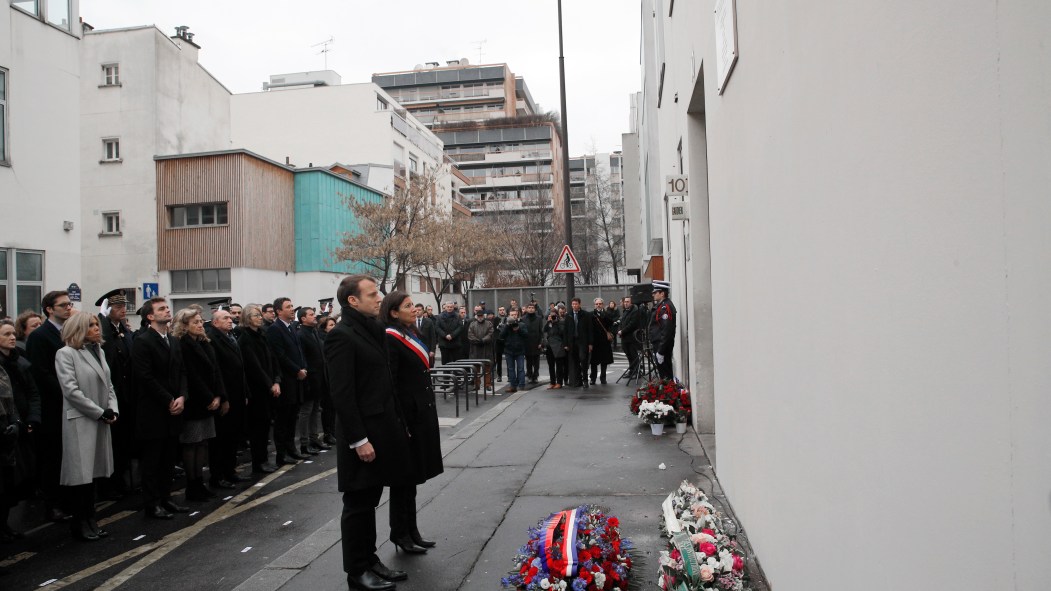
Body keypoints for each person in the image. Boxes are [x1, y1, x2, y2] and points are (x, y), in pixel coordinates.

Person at [325, 275, 412, 591]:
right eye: (373, 294)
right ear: (353, 300)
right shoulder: (341, 336)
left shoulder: (372, 328)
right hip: (362, 436)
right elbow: (342, 394)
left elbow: (386, 383)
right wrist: (358, 440)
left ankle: (370, 560)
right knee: (357, 505)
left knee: (370, 501)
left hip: (383, 429)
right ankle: (357, 570)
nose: (380, 298)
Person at [381, 292, 442, 555]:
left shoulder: (410, 333)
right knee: (403, 480)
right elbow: (391, 383)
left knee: (413, 478)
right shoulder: (390, 337)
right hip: (407, 416)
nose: (414, 309)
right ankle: (400, 533)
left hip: (421, 414)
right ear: (394, 312)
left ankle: (412, 530)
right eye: (407, 306)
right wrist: (400, 421)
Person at [54, 313, 119, 541]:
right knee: (81, 476)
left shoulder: (99, 350)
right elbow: (71, 391)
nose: (96, 328)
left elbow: (109, 385)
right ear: (79, 329)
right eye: (90, 325)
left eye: (96, 324)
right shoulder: (66, 353)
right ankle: (80, 522)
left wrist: (112, 409)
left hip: (100, 419)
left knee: (93, 476)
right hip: (81, 420)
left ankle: (91, 519)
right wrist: (99, 412)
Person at [132, 297, 189, 519]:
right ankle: (152, 503)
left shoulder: (172, 340)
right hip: (154, 410)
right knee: (152, 460)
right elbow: (144, 376)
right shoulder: (143, 341)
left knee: (168, 459)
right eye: (161, 309)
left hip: (174, 407)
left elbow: (182, 371)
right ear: (150, 316)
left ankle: (166, 498)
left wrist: (182, 396)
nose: (167, 311)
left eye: (167, 307)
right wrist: (168, 399)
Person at [26, 290, 74, 522]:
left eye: (69, 304)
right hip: (53, 405)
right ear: (49, 309)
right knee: (52, 457)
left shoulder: (70, 332)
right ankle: (52, 504)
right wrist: (67, 390)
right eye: (63, 305)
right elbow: (40, 372)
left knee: (68, 455)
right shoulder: (40, 336)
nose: (68, 308)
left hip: (71, 404)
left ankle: (67, 499)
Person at [173, 307, 225, 501]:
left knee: (203, 443)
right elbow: (192, 375)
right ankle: (192, 484)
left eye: (201, 321)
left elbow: (215, 370)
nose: (200, 325)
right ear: (184, 325)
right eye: (195, 322)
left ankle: (200, 483)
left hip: (209, 399)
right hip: (195, 402)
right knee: (191, 444)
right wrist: (209, 397)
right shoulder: (183, 344)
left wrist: (218, 396)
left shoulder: (204, 343)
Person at [0, 319, 40, 541]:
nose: (12, 337)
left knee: (14, 479)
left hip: (19, 426)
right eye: (6, 334)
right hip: (6, 428)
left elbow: (31, 392)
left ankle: (5, 524)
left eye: (13, 333)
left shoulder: (20, 360)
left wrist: (31, 418)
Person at [96, 289, 135, 498]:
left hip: (126, 394)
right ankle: (110, 484)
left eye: (123, 307)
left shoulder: (123, 330)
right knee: (113, 443)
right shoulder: (104, 330)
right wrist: (102, 319)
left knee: (124, 442)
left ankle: (122, 480)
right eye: (118, 307)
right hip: (112, 394)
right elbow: (108, 351)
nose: (123, 310)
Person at [206, 309, 248, 488]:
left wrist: (245, 393)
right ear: (215, 322)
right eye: (225, 318)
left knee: (232, 436)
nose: (230, 320)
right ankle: (218, 475)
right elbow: (218, 371)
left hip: (237, 393)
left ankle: (230, 471)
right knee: (221, 439)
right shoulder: (212, 339)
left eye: (230, 318)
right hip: (226, 394)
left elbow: (240, 368)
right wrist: (223, 397)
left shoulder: (231, 337)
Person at [238, 305, 280, 474]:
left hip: (268, 387)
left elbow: (272, 359)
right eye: (256, 315)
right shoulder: (245, 338)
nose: (260, 318)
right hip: (256, 390)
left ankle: (264, 459)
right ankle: (259, 462)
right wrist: (269, 384)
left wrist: (276, 380)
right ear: (247, 318)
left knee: (265, 426)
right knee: (257, 428)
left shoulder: (262, 335)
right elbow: (254, 366)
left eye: (259, 315)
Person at [267, 298, 306, 465]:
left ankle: (292, 450)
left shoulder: (291, 327)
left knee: (292, 418)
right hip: (286, 380)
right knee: (283, 420)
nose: (292, 309)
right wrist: (297, 370)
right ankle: (281, 455)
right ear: (278, 311)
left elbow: (298, 351)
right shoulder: (275, 329)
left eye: (292, 306)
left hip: (296, 380)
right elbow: (280, 355)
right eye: (288, 307)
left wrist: (303, 367)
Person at [296, 307, 331, 455]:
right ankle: (304, 443)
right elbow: (303, 358)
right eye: (311, 315)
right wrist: (307, 379)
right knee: (307, 411)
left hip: (319, 378)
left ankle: (314, 439)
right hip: (309, 380)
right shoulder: (301, 335)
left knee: (315, 409)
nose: (314, 316)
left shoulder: (313, 332)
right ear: (303, 318)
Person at [649, 281, 677, 379]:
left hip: (662, 345)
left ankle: (668, 389)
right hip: (660, 344)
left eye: (655, 292)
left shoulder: (665, 307)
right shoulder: (662, 305)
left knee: (665, 375)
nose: (653, 294)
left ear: (662, 294)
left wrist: (661, 351)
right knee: (663, 374)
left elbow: (666, 330)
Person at [564, 298, 593, 389]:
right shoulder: (568, 315)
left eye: (576, 304)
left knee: (583, 359)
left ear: (579, 304)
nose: (574, 306)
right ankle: (578, 381)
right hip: (572, 341)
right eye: (573, 304)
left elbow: (590, 330)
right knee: (575, 361)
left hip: (582, 341)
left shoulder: (586, 315)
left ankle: (585, 380)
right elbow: (565, 331)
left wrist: (590, 343)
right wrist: (566, 344)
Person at [500, 309, 528, 393]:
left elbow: (526, 335)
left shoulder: (522, 324)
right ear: (509, 316)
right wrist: (507, 326)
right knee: (510, 369)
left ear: (517, 315)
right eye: (511, 315)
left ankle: (521, 385)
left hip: (519, 350)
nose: (513, 316)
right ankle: (513, 386)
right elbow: (501, 336)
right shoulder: (506, 325)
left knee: (521, 368)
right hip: (509, 350)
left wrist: (518, 329)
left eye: (515, 315)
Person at [589, 298, 615, 385]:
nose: (598, 305)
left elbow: (611, 323)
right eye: (597, 304)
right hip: (595, 341)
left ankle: (603, 378)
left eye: (600, 304)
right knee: (594, 362)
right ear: (594, 305)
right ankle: (593, 378)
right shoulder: (591, 314)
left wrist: (604, 315)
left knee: (604, 361)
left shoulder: (607, 313)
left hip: (604, 340)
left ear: (602, 305)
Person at [542, 311, 567, 389]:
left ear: (557, 316)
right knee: (551, 365)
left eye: (553, 316)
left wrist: (556, 322)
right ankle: (552, 382)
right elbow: (544, 331)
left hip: (558, 346)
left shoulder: (560, 323)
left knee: (559, 366)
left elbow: (562, 332)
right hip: (549, 346)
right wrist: (548, 322)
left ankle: (559, 382)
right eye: (551, 316)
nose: (552, 317)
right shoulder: (548, 324)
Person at [618, 297, 642, 377]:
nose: (626, 303)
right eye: (625, 302)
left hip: (631, 338)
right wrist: (619, 330)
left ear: (631, 302)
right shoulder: (625, 311)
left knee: (633, 355)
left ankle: (637, 372)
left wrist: (622, 331)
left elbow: (632, 324)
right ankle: (631, 371)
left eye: (628, 302)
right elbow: (621, 322)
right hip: (624, 337)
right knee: (628, 355)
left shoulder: (635, 311)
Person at [521, 303, 543, 384]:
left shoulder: (539, 318)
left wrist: (540, 342)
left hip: (536, 342)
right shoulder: (523, 318)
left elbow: (541, 331)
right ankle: (530, 376)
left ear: (535, 309)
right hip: (527, 342)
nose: (531, 309)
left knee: (536, 361)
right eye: (529, 307)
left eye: (532, 307)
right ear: (527, 309)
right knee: (529, 361)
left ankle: (535, 376)